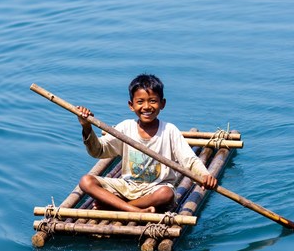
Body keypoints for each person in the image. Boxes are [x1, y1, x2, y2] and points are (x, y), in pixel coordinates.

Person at [77, 73, 217, 213]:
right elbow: (99, 151)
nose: (146, 107)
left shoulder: (169, 130)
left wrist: (204, 175)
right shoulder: (125, 128)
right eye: (140, 102)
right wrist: (87, 127)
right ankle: (133, 209)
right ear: (131, 105)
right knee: (86, 181)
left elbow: (190, 160)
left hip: (156, 189)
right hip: (128, 187)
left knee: (166, 194)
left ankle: (122, 206)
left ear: (162, 104)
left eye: (152, 101)